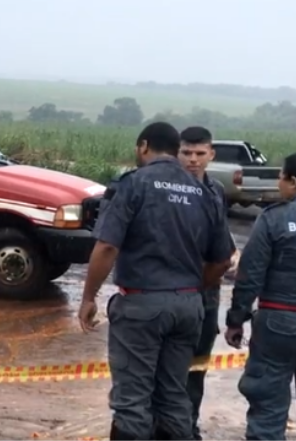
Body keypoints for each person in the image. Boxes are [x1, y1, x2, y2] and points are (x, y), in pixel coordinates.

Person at [78, 121, 233, 440]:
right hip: (189, 306)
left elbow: (107, 246)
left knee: (132, 399)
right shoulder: (204, 192)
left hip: (141, 305)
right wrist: (193, 289)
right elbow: (223, 259)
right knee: (174, 395)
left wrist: (88, 297)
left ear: (144, 146)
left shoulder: (133, 184)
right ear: (176, 151)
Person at [224, 150, 296, 441]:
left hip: (280, 322)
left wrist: (236, 319)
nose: (279, 182)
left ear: (293, 181)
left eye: (281, 176)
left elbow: (250, 275)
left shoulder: (275, 218)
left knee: (267, 404)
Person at [178, 126, 238, 440]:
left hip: (206, 291)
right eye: (186, 153)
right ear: (177, 153)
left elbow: (223, 247)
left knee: (196, 367)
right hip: (173, 290)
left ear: (211, 155)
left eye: (200, 154)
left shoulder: (215, 191)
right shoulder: (167, 189)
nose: (193, 160)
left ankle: (189, 425)